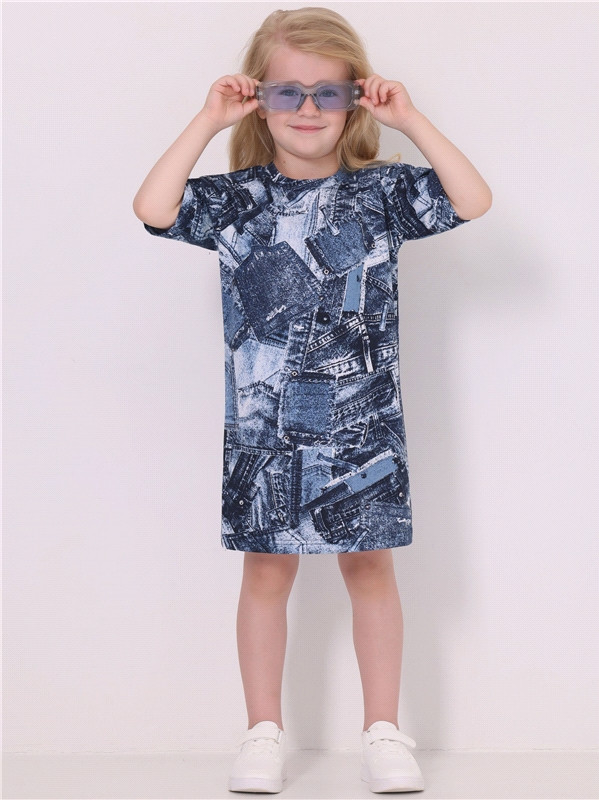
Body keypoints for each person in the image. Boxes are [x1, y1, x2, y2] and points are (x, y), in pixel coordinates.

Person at [133, 6, 491, 794]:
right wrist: (207, 119)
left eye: (327, 92)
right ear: (258, 100)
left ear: (354, 100)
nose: (306, 108)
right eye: (286, 92)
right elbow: (154, 209)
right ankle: (262, 733)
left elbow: (471, 200)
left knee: (370, 567)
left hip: (365, 430)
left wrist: (408, 118)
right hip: (265, 436)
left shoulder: (381, 193)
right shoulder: (236, 201)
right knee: (266, 572)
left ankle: (383, 731)